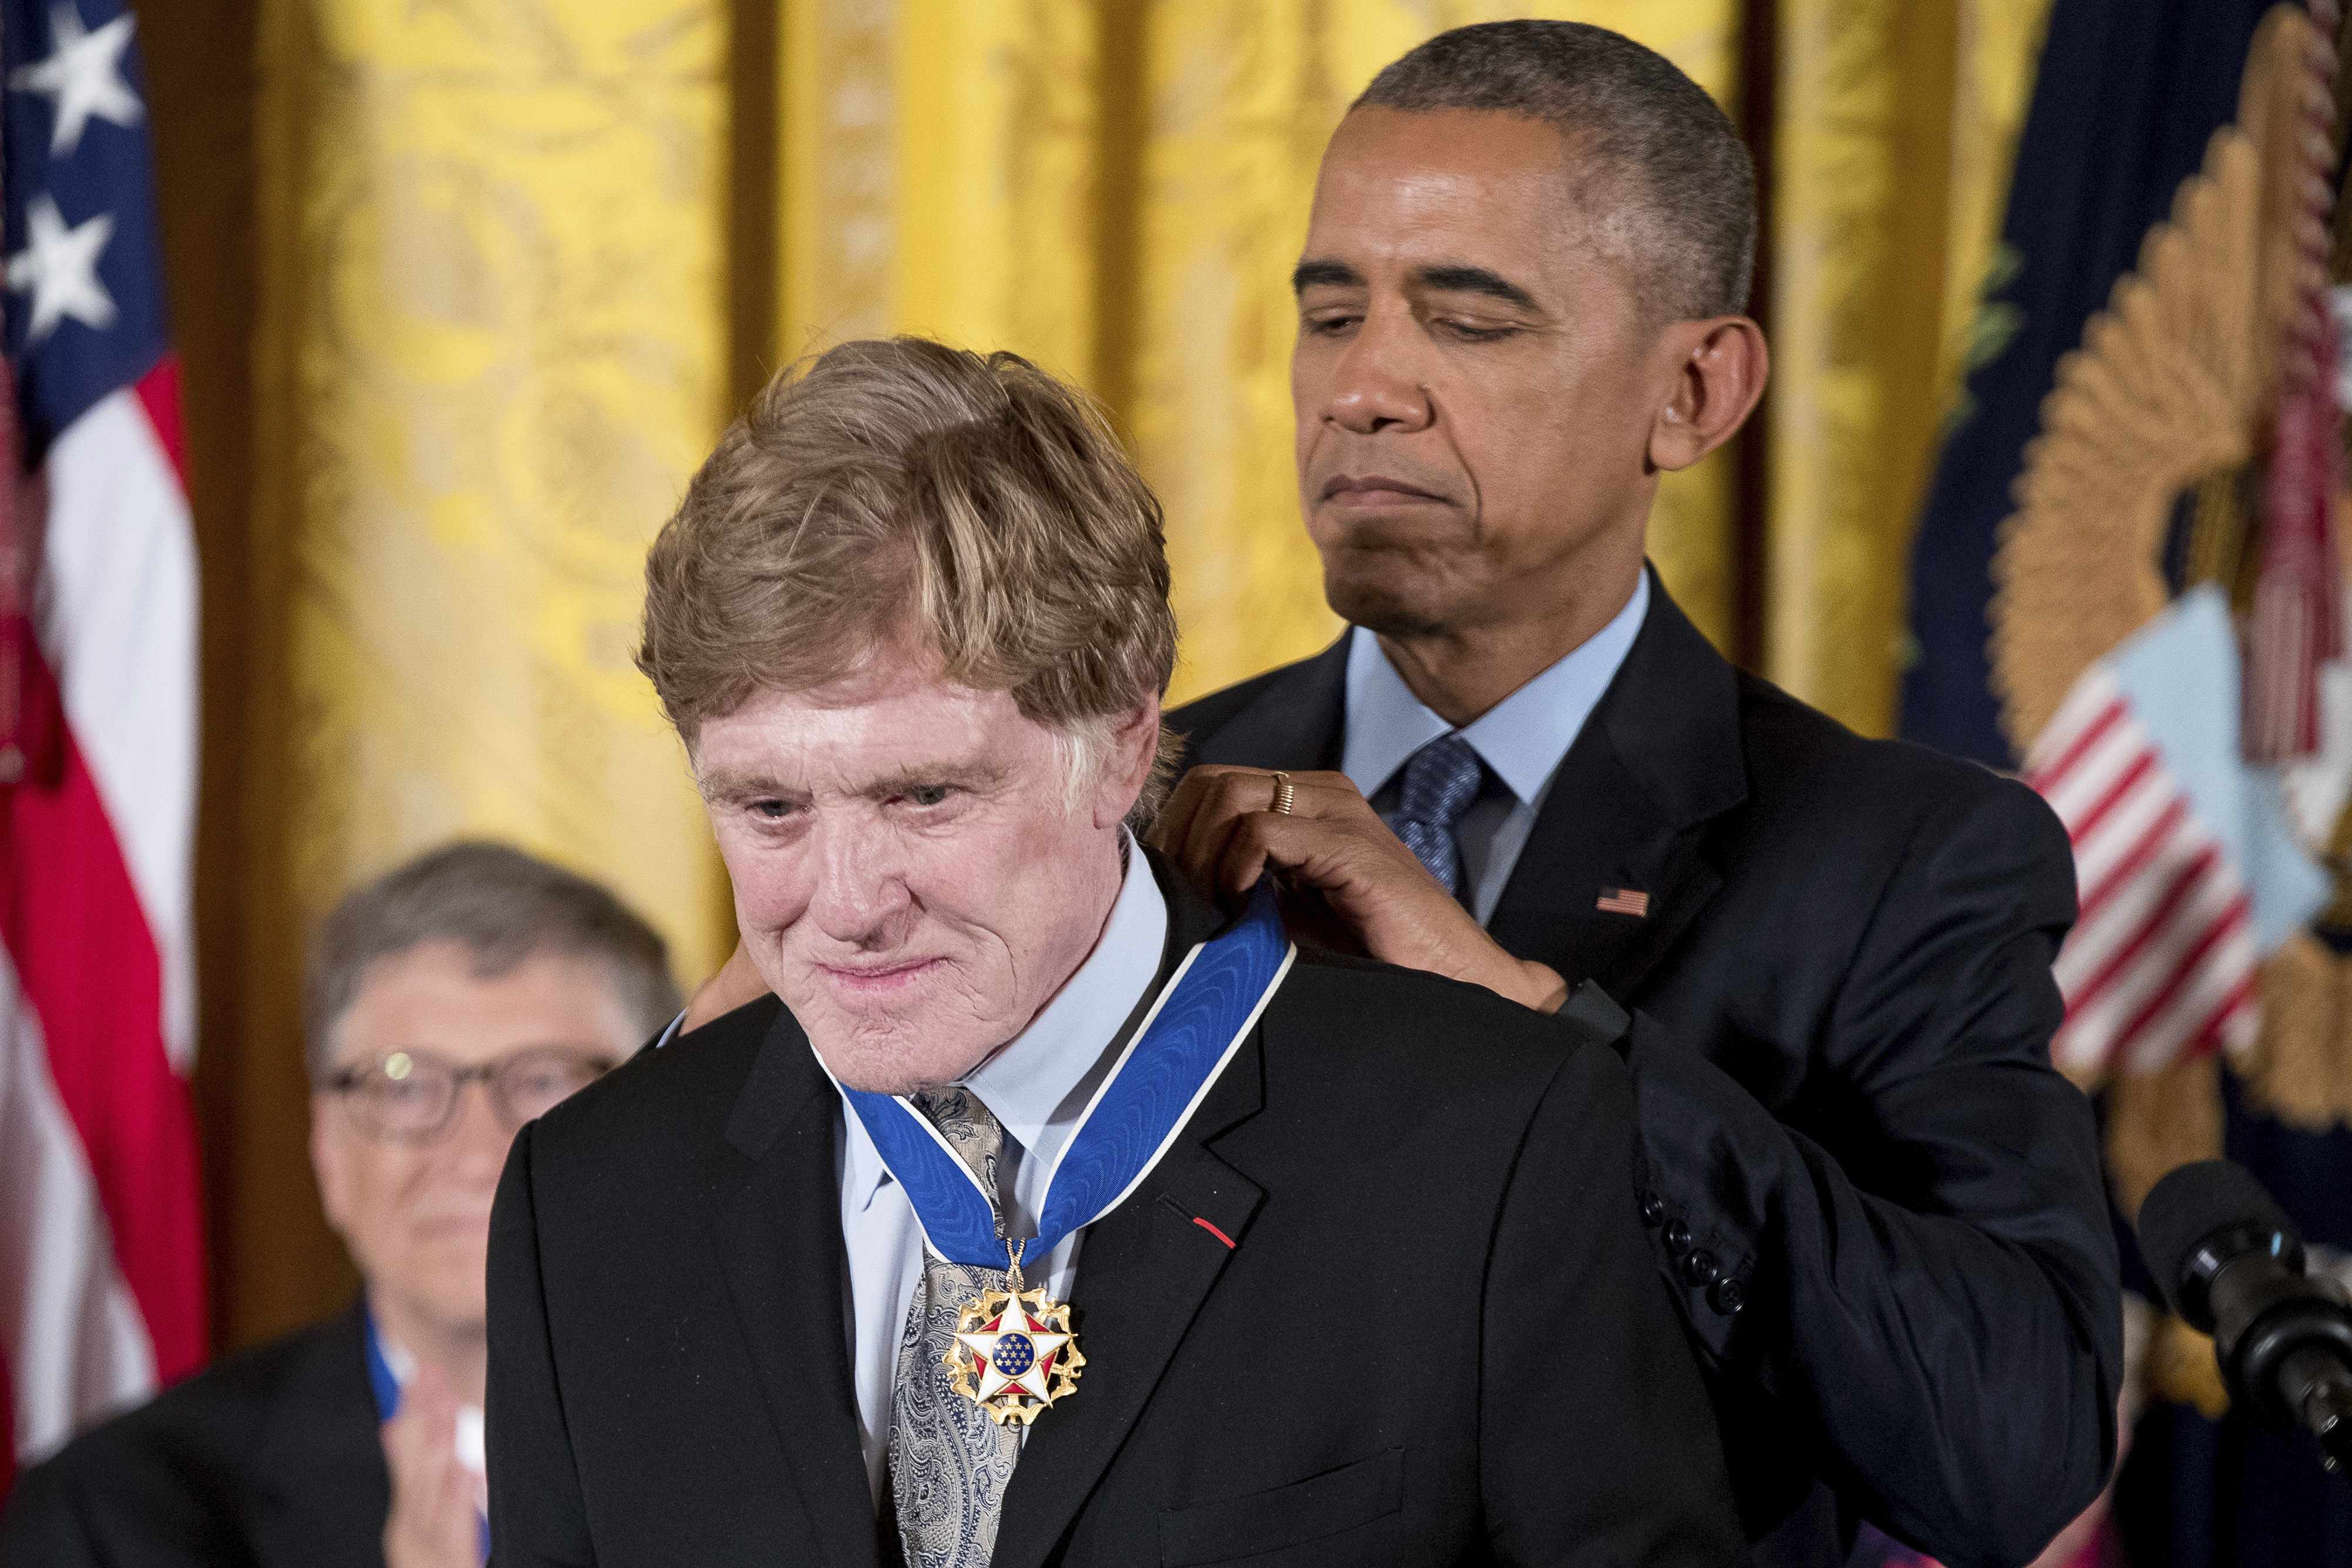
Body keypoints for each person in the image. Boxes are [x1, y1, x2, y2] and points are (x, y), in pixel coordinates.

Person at [484, 337, 1744, 1568]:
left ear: (1125, 742)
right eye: (769, 809)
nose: (847, 902)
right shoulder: (587, 1201)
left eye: (923, 796)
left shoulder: (1489, 1145)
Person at [1150, 21, 2124, 1568]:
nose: (1361, 387)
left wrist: (1532, 1022)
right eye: (1329, 314)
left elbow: (2006, 1440)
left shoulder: (1900, 856)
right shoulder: (1132, 794)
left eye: (1466, 322)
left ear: (1692, 389)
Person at [0, 843, 678, 1568]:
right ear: (328, 1152)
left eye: (547, 1082)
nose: (482, 1156)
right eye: (407, 1085)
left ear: (666, 1124)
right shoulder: (110, 1519)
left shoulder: (793, 1448)